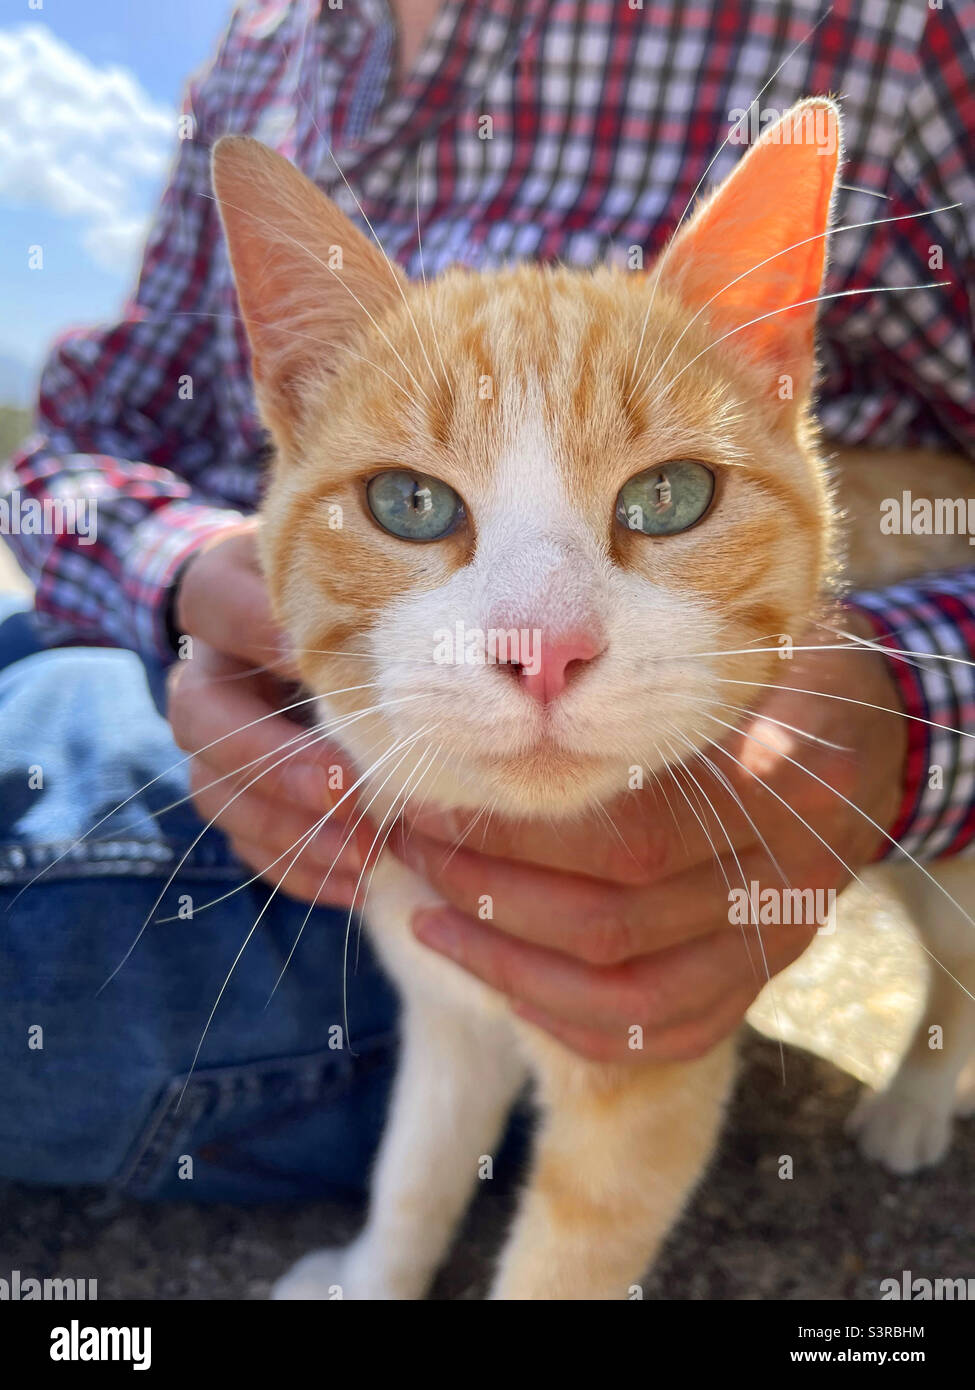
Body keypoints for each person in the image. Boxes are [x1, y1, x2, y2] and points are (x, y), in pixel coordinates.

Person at [1, 0, 972, 1203]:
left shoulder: (889, 28)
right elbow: (81, 443)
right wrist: (186, 573)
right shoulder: (256, 49)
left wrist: (914, 708)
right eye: (418, 495)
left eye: (661, 486)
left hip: (618, 773)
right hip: (258, 668)